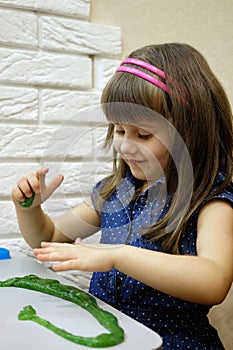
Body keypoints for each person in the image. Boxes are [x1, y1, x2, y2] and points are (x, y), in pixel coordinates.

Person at [12, 43, 233, 349]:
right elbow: (48, 239)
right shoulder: (115, 192)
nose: (126, 147)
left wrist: (117, 255)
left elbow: (214, 281)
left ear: (190, 132)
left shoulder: (211, 199)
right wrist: (30, 209)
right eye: (119, 130)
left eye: (144, 135)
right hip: (111, 337)